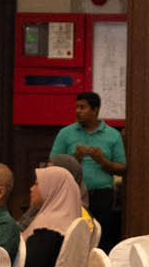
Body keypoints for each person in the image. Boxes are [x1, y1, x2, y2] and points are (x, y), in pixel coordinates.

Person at [50, 91, 126, 246]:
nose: (78, 111)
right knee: (73, 237)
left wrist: (102, 161)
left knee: (102, 238)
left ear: (95, 110)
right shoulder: (65, 133)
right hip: (73, 194)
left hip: (102, 195)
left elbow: (122, 167)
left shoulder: (113, 135)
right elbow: (53, 164)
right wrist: (75, 158)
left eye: (82, 107)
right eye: (77, 107)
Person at [20, 160, 83, 267]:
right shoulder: (67, 219)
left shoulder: (48, 229)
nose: (31, 188)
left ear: (52, 189)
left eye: (37, 184)